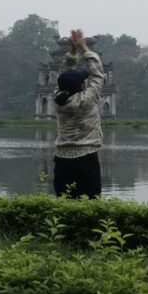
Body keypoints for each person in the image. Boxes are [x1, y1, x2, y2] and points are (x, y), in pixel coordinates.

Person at [52, 29, 105, 198]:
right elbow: (97, 75)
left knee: (64, 200)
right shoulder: (88, 100)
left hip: (61, 159)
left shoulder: (58, 99)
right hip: (86, 157)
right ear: (82, 86)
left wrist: (72, 52)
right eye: (83, 81)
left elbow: (62, 75)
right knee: (90, 201)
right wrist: (83, 47)